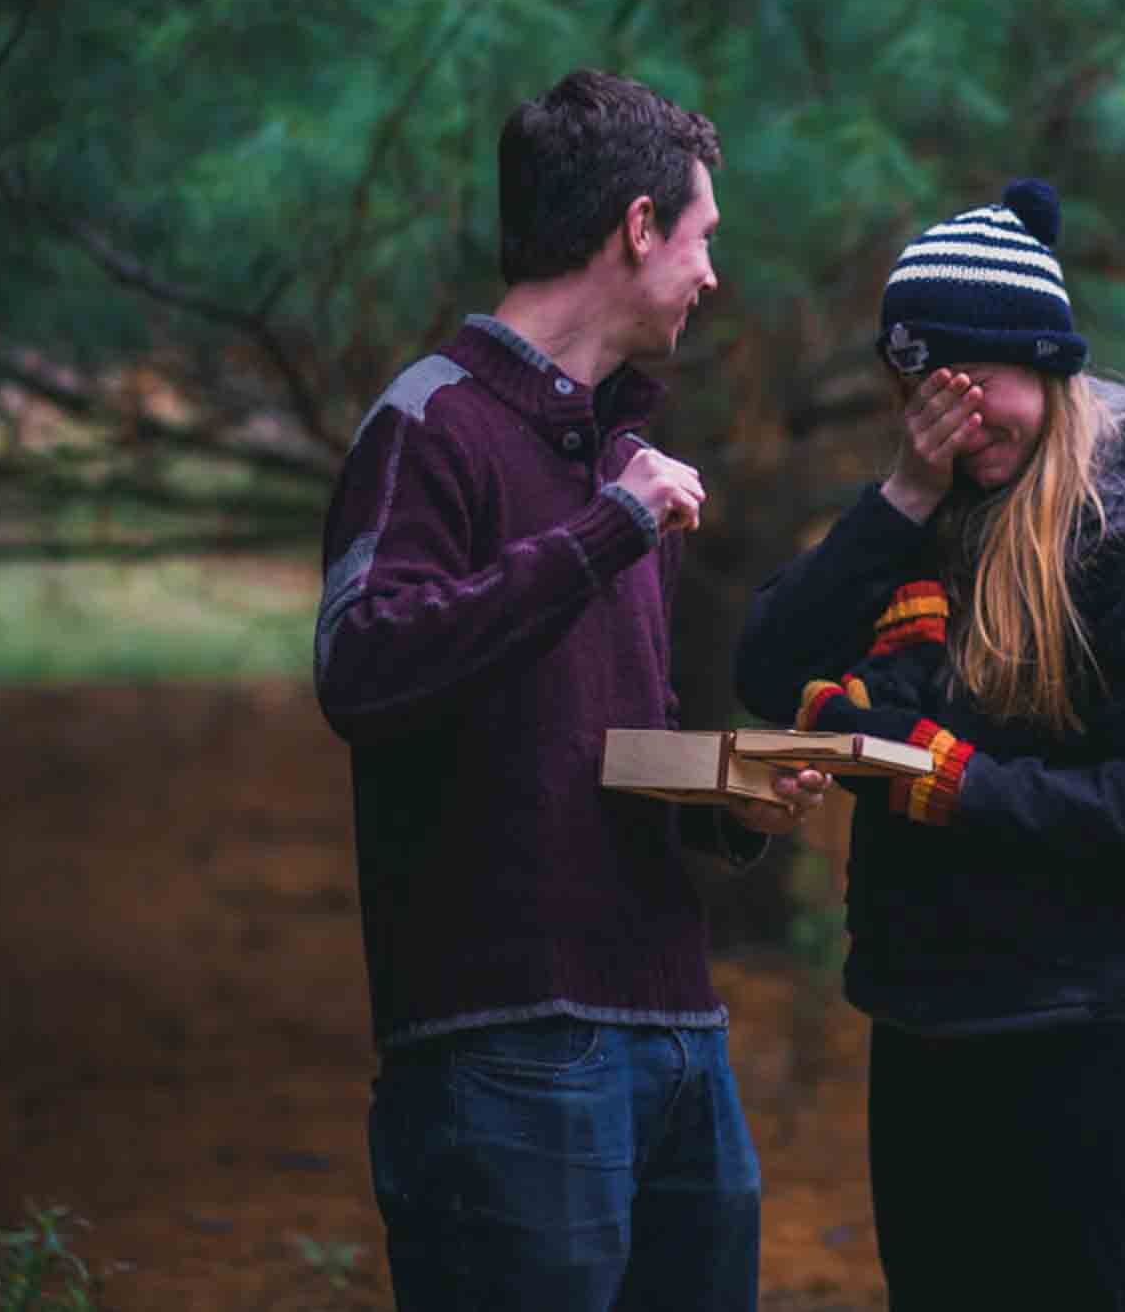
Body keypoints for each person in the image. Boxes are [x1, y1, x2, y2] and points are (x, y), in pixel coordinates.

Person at [313, 69, 827, 1312]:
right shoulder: (430, 423)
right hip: (506, 1042)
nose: (712, 275)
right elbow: (363, 665)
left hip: (673, 1028)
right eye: (702, 238)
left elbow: (597, 744)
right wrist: (606, 532)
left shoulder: (612, 456)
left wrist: (728, 804)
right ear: (637, 228)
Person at [734, 178, 1125, 1311]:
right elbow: (764, 669)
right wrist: (900, 495)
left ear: (1049, 366)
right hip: (920, 1021)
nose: (959, 423)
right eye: (926, 394)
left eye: (980, 387)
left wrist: (942, 781)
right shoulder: (927, 514)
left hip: (1080, 1037)